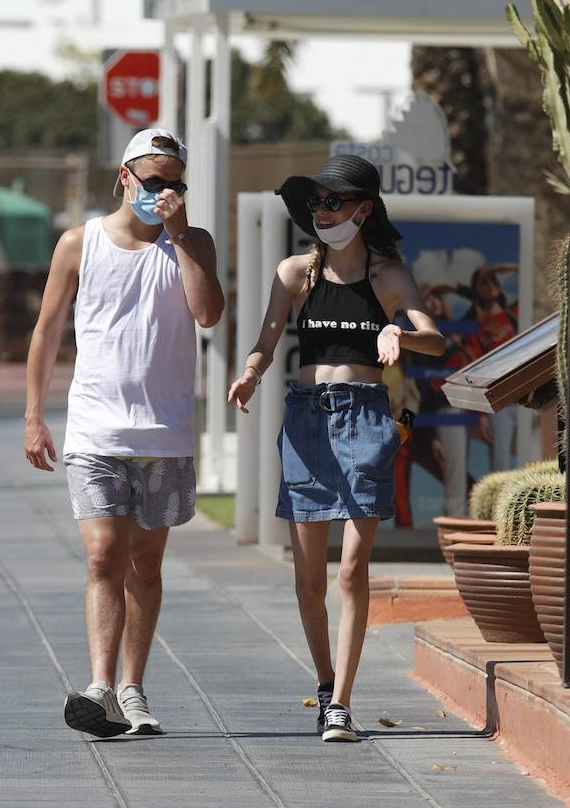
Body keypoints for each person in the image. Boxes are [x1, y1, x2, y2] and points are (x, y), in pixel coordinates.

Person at [227, 154, 444, 742]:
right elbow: (268, 338)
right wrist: (250, 372)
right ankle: (325, 684)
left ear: (363, 209)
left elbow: (437, 338)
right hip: (305, 421)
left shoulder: (389, 275)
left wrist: (400, 331)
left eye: (333, 202)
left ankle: (343, 705)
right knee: (308, 581)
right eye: (316, 202)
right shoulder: (297, 272)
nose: (322, 212)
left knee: (351, 569)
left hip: (366, 418)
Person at [23, 128, 224, 739]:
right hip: (94, 429)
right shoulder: (79, 243)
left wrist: (183, 234)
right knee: (103, 555)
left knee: (146, 563)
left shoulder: (193, 244)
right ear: (124, 177)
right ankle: (100, 687)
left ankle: (133, 688)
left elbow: (209, 313)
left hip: (164, 432)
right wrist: (34, 416)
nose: (160, 191)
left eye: (173, 182)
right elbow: (47, 331)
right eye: (151, 179)